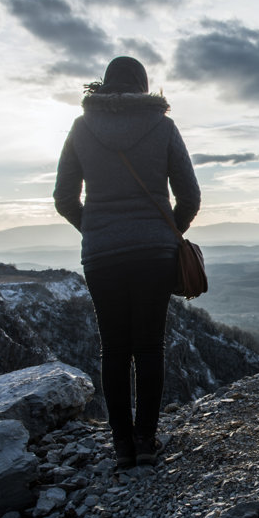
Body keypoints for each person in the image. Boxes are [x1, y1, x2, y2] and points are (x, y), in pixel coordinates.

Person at [53, 56, 201, 469]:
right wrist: (166, 231)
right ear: (143, 87)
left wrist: (95, 229)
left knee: (114, 349)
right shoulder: (163, 126)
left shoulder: (82, 128)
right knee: (150, 345)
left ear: (103, 86)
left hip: (102, 256)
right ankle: (147, 443)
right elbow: (190, 195)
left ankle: (122, 448)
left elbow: (64, 198)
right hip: (154, 253)